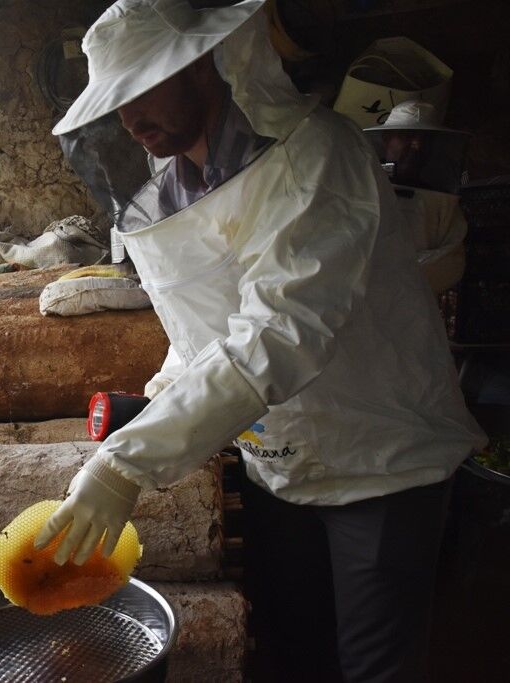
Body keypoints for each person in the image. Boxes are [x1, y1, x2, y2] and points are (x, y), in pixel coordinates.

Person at [33, 1, 486, 681]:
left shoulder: (316, 158)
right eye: (117, 102)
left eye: (145, 87)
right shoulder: (173, 185)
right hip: (280, 465)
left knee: (375, 667)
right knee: (288, 654)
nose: (129, 119)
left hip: (383, 462)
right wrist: (161, 401)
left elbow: (279, 330)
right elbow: (200, 330)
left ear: (207, 63)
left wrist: (130, 462)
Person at [363, 100, 472, 293]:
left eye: (424, 139)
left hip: (411, 310)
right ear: (387, 139)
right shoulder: (360, 186)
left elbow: (450, 264)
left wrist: (391, 274)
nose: (417, 145)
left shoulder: (442, 202)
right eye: (407, 136)